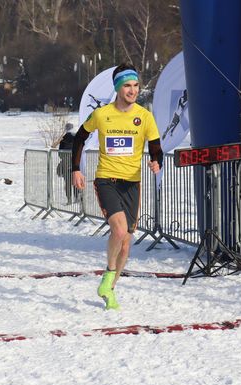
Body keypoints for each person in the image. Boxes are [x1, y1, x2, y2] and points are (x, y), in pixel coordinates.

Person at [71, 63, 163, 310]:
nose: (133, 91)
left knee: (126, 243)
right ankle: (109, 273)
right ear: (117, 88)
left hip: (132, 184)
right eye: (127, 86)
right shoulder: (102, 115)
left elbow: (155, 146)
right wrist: (76, 168)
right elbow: (79, 138)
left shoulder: (144, 116)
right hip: (106, 180)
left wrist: (156, 161)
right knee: (119, 231)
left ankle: (110, 290)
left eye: (135, 85)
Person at [58, 123, 76, 204]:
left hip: (66, 163)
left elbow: (60, 153)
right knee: (76, 180)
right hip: (76, 163)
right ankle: (77, 197)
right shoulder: (78, 137)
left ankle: (69, 199)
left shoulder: (64, 139)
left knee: (68, 182)